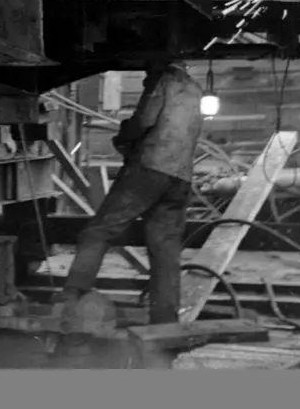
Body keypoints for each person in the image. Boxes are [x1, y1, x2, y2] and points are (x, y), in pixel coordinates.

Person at [54, 60, 203, 323]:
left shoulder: (163, 79)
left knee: (98, 231)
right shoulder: (194, 88)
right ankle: (165, 320)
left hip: (149, 169)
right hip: (180, 177)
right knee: (165, 248)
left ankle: (71, 297)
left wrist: (124, 135)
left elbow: (144, 121)